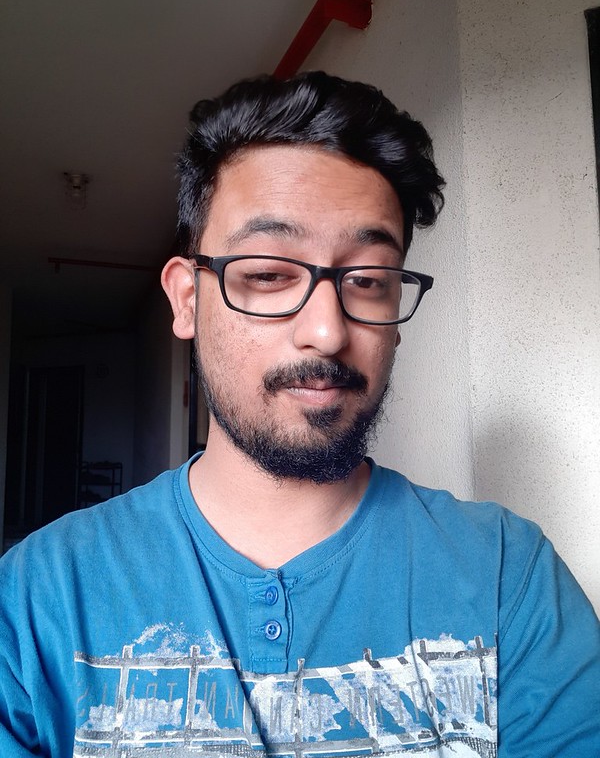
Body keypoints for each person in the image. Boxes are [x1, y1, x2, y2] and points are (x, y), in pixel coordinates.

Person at [0, 72, 598, 757]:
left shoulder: (507, 577)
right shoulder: (39, 595)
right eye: (267, 274)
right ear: (187, 299)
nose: (327, 331)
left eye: (368, 281)